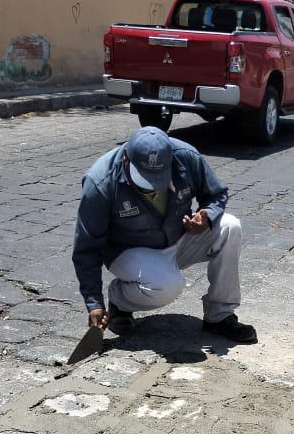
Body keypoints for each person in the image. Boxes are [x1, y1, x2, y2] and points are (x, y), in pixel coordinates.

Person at [72, 126, 257, 343]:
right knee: (168, 286)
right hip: (129, 251)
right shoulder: (100, 182)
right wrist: (94, 303)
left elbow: (216, 194)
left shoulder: (186, 157)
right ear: (126, 160)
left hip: (178, 238)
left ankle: (220, 315)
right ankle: (119, 301)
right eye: (144, 180)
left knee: (230, 226)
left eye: (157, 180)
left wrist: (206, 217)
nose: (151, 189)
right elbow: (87, 247)